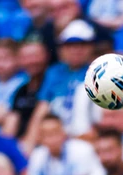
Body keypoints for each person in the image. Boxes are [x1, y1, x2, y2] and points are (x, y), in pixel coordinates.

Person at [24, 19, 97, 149]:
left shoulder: (98, 72)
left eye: (82, 44)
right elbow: (41, 110)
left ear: (91, 47)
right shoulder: (54, 72)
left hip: (84, 140)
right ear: (62, 48)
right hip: (53, 138)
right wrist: (29, 144)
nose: (76, 49)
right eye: (70, 45)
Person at [0, 39, 49, 143]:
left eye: (35, 56)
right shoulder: (21, 90)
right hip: (19, 143)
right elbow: (12, 122)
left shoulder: (52, 85)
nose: (31, 61)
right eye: (26, 57)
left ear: (46, 56)